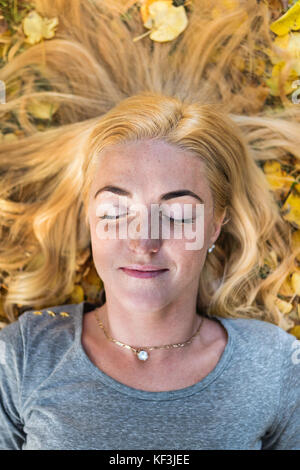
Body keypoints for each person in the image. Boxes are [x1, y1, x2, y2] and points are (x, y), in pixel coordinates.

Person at [0, 0, 300, 450]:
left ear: (217, 224)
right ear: (88, 217)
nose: (144, 240)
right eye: (116, 212)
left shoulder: (274, 364)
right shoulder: (24, 355)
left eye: (178, 215)